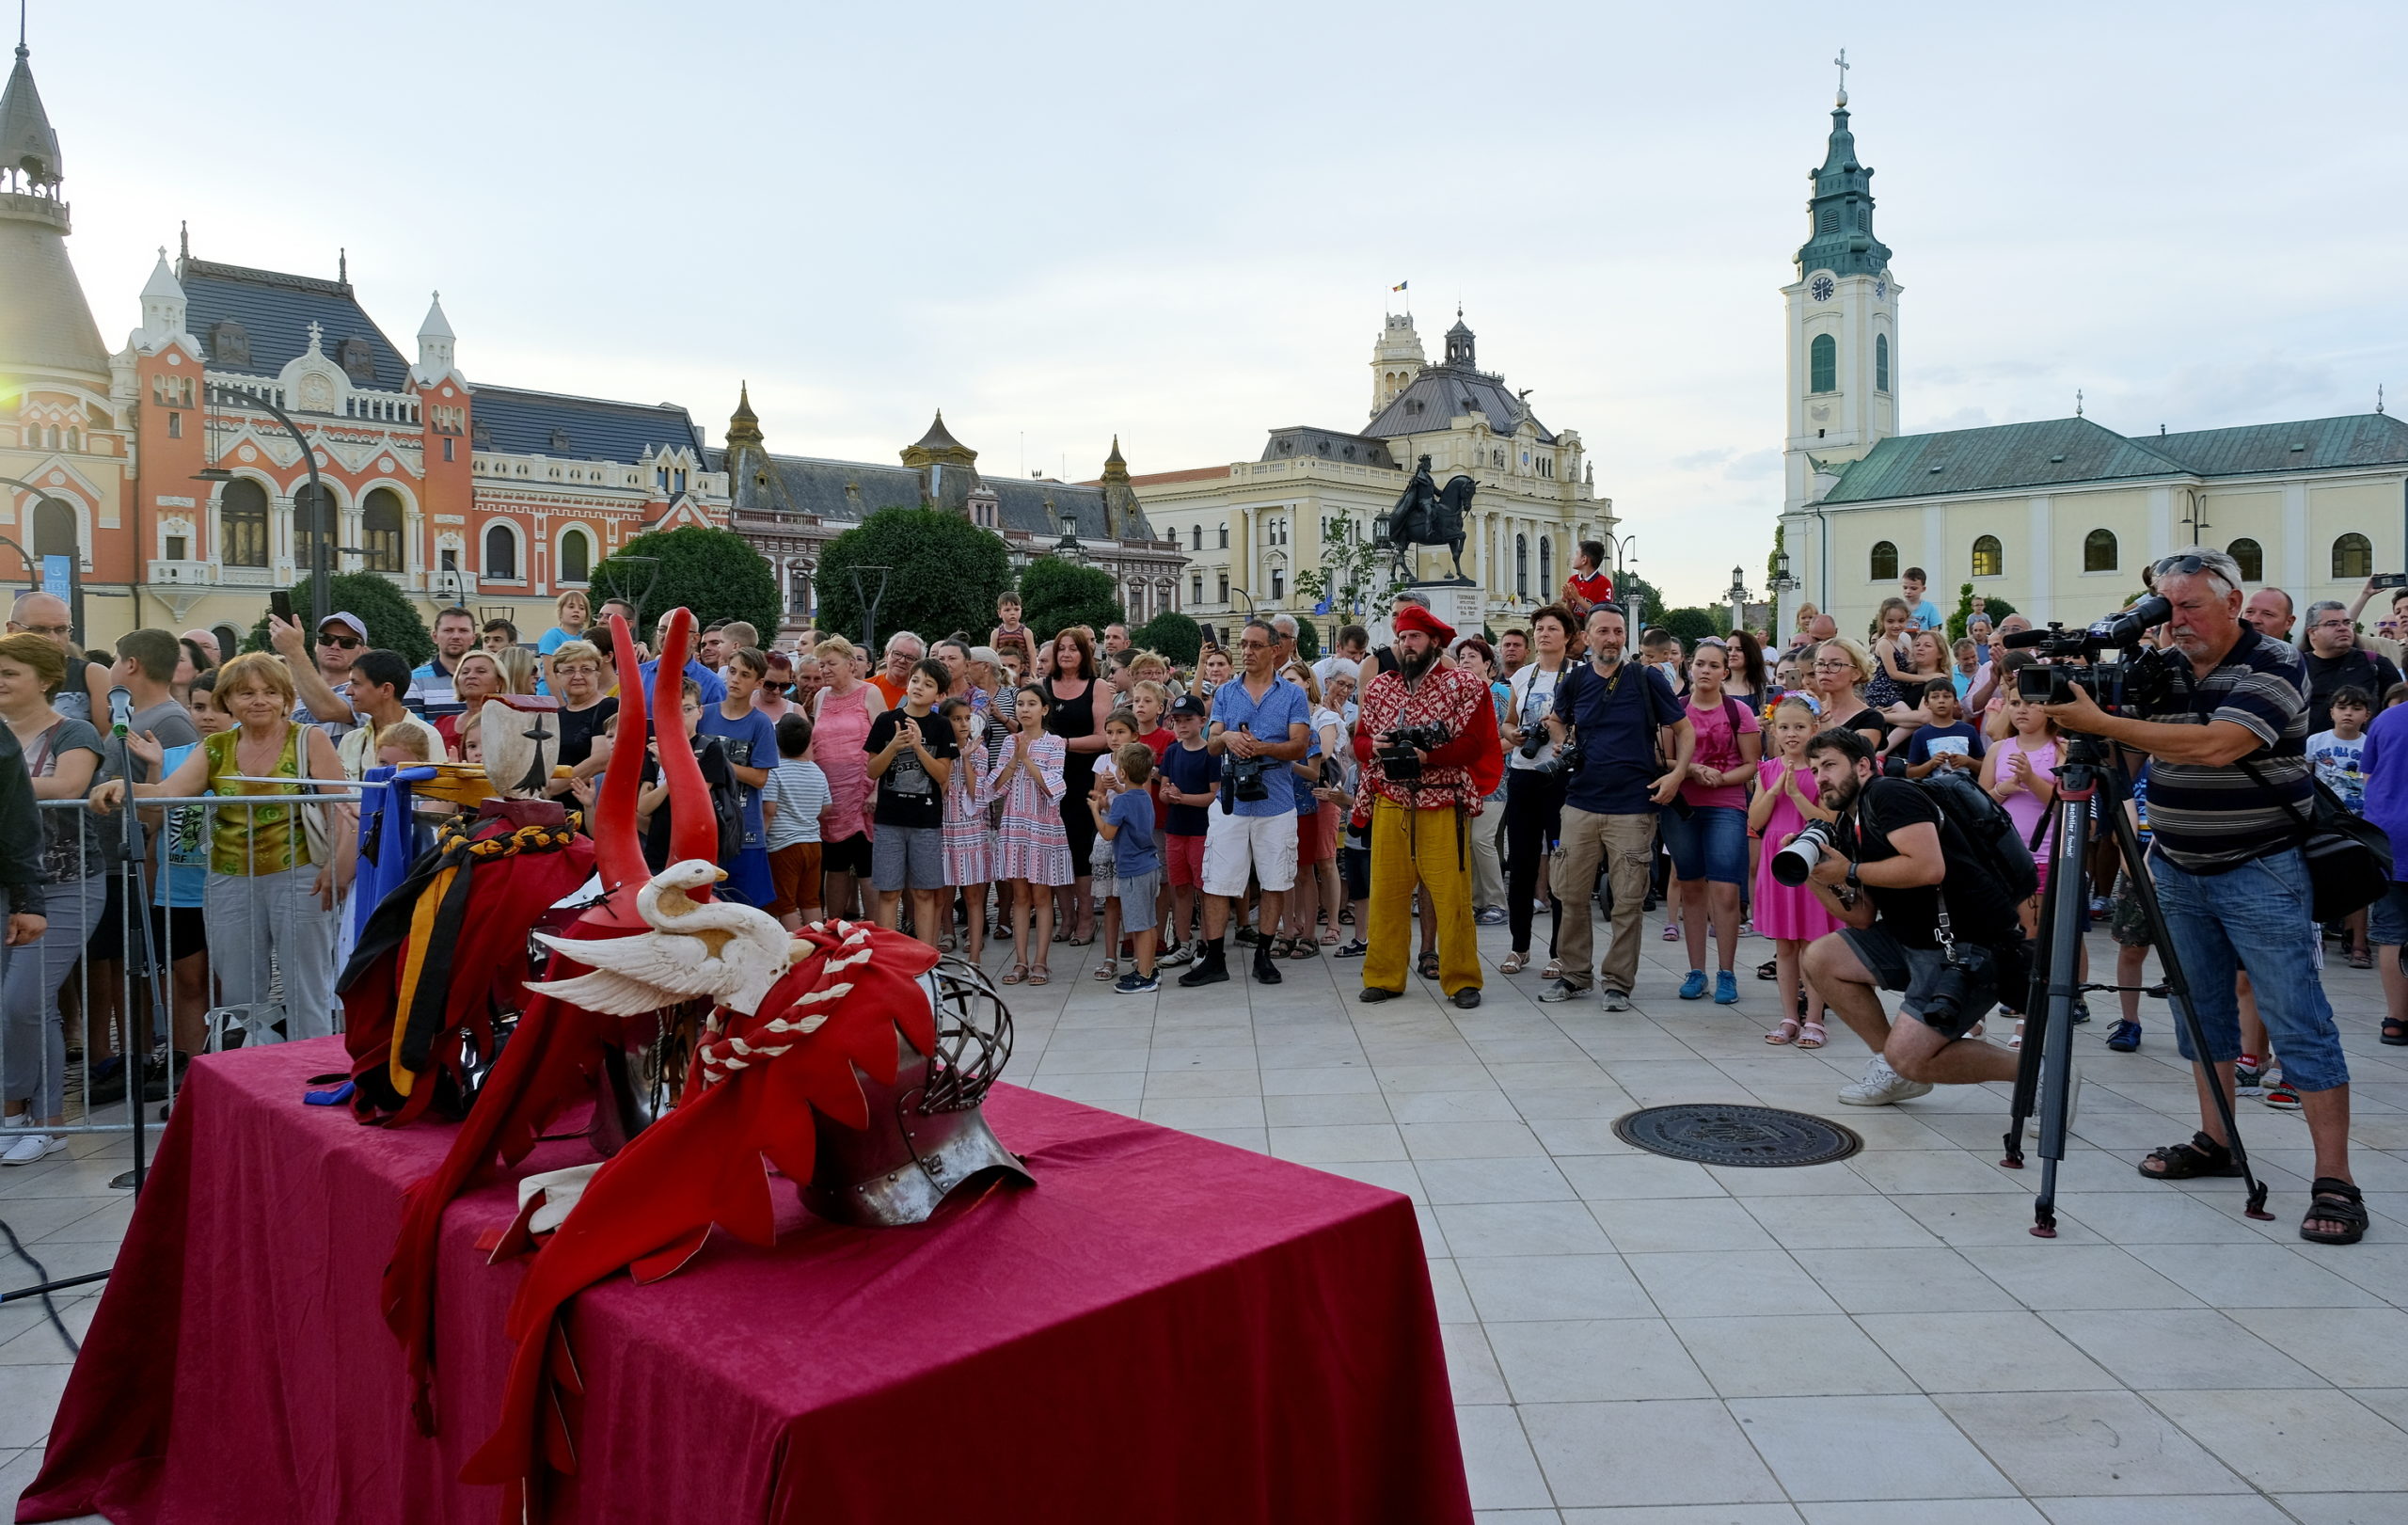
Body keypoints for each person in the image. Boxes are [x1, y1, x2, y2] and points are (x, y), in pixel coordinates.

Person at [2038, 548, 2364, 1246]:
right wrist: (2081, 713)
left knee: (2297, 1017)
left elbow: (2219, 745)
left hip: (2263, 865)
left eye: (2189, 605)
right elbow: (2128, 761)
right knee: (2199, 1011)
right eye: (2165, 605)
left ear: (2233, 603)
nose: (2175, 619)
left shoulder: (2274, 661)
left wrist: (2104, 723)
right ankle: (2218, 1140)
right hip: (2178, 865)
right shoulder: (2166, 668)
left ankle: (2334, 1177)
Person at [93, 651, 353, 1046]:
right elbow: (167, 794)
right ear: (228, 700)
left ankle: (310, 1074)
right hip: (228, 881)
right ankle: (250, 1080)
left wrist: (337, 866)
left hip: (300, 875)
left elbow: (342, 808)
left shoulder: (309, 738)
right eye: (246, 692)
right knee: (238, 995)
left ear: (287, 698)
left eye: (270, 691)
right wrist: (121, 788)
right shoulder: (216, 747)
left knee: (307, 985)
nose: (259, 700)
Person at [1789, 726, 2026, 1109]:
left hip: (1966, 945)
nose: (1821, 778)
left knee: (1914, 1058)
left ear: (1863, 766)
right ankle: (1895, 1068)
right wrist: (1814, 875)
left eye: (1830, 765)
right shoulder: (1851, 821)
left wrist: (1850, 872)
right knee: (1820, 958)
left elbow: (1929, 868)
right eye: (1814, 769)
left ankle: (2037, 1070)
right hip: (1912, 940)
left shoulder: (1889, 794)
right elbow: (1863, 916)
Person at [1540, 603, 1691, 1009]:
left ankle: (1618, 984)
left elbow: (1684, 729)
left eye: (1618, 631)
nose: (1612, 638)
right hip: (1581, 802)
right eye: (1603, 631)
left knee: (1627, 900)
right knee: (1569, 894)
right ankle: (1573, 975)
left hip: (1632, 806)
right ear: (1586, 638)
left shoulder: (1646, 679)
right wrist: (1562, 740)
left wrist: (1677, 776)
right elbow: (1556, 718)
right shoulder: (1574, 681)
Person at [1352, 604, 1496, 1009]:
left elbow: (1473, 745)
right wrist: (1375, 746)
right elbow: (1359, 743)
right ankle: (1383, 976)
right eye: (1401, 638)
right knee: (1387, 896)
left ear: (1434, 641)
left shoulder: (1462, 686)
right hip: (1390, 803)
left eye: (1414, 637)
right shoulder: (1380, 687)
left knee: (1452, 897)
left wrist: (1428, 757)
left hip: (1443, 803)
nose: (1406, 645)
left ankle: (1462, 979)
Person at [0, 634, 101, 1159]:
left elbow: (68, 786)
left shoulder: (73, 730)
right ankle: (29, 1118)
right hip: (7, 884)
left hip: (66, 883)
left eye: (9, 672)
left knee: (24, 1001)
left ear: (44, 679)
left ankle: (33, 1115)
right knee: (16, 1006)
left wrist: (7, 782)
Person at [1181, 620, 1311, 989]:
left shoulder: (1291, 694)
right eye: (1243, 644)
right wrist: (1230, 738)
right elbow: (1211, 743)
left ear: (1274, 650)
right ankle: (1216, 958)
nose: (1248, 651)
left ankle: (1264, 955)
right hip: (1231, 802)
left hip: (1277, 801)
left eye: (1256, 645)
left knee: (1275, 881)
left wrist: (1262, 748)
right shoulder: (1226, 692)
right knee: (1218, 881)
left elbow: (1300, 746)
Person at [1662, 639, 1762, 1004]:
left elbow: (1751, 765)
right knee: (1690, 886)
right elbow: (1665, 760)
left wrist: (1720, 778)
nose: (1705, 671)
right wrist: (1694, 769)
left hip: (1726, 803)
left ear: (1725, 671)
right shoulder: (1675, 710)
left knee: (1725, 888)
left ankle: (1727, 973)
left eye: (1713, 665)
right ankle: (1696, 971)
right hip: (1682, 803)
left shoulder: (1739, 712)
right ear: (1690, 667)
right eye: (1699, 664)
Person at [1751, 697, 1840, 1046]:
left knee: (1812, 944)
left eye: (1799, 727)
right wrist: (1774, 791)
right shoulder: (1767, 769)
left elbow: (1830, 819)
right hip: (1778, 859)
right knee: (1785, 945)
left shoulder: (1824, 770)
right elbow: (1755, 822)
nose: (1791, 734)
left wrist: (1797, 796)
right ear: (1774, 730)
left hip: (1812, 857)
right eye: (1784, 727)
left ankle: (1815, 1018)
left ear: (1814, 729)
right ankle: (1789, 1015)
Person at [1500, 605, 1576, 978]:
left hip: (1562, 776)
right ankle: (1519, 947)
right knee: (1523, 864)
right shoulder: (1523, 677)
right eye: (1539, 629)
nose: (1544, 634)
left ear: (1568, 636)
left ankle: (1560, 951)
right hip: (1524, 773)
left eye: (1552, 628)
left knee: (1562, 866)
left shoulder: (1579, 675)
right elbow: (1509, 723)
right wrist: (1512, 734)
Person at [863, 657, 957, 940]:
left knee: (924, 891)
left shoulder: (941, 725)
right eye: (915, 680)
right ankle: (888, 957)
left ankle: (927, 954)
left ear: (939, 695)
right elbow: (872, 770)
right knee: (889, 891)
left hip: (926, 821)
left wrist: (918, 747)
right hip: (889, 819)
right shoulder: (886, 721)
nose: (918, 687)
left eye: (928, 684)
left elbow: (943, 775)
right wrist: (894, 745)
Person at [990, 686, 1072, 985]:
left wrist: (1026, 759)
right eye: (1020, 704)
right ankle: (1020, 961)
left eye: (1031, 704)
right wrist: (1015, 757)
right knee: (1020, 896)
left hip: (1043, 826)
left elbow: (1054, 786)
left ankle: (1041, 962)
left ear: (1044, 709)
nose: (1025, 709)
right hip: (1014, 825)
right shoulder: (1010, 741)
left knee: (1041, 895)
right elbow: (996, 786)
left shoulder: (1055, 743)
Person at [1042, 627, 1112, 945]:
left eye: (1074, 648)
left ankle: (1086, 917)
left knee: (1081, 849)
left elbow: (1103, 738)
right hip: (1048, 781)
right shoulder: (1042, 686)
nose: (1066, 653)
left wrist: (1062, 744)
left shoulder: (1097, 687)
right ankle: (1066, 916)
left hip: (1084, 777)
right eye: (1061, 649)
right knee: (1056, 850)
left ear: (1085, 654)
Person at [808, 635, 884, 920]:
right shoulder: (820, 696)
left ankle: (878, 933)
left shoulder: (869, 693)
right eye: (821, 664)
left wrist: (877, 790)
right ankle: (834, 929)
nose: (824, 669)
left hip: (862, 791)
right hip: (829, 796)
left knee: (866, 865)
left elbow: (884, 742)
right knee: (835, 864)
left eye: (831, 663)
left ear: (851, 664)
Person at [699, 648, 780, 906]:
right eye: (732, 672)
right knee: (705, 903)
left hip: (745, 827)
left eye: (745, 675)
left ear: (758, 683)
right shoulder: (704, 714)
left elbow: (759, 778)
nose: (735, 679)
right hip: (706, 824)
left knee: (746, 906)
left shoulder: (760, 723)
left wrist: (719, 762)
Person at [634, 679, 740, 873]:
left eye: (687, 709)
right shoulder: (654, 750)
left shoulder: (709, 749)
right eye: (673, 709)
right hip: (659, 851)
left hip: (696, 850)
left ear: (700, 712)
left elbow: (694, 799)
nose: (680, 716)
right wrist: (668, 773)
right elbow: (643, 806)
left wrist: (671, 766)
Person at [2307, 686, 2375, 968]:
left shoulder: (2370, 743)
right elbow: (2305, 777)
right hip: (2323, 819)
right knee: (2316, 877)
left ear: (2367, 715)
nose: (2349, 713)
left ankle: (2358, 941)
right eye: (2343, 707)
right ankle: (2315, 935)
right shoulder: (2315, 741)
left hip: (2359, 819)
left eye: (2356, 708)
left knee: (2358, 881)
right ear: (2332, 711)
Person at [1155, 695, 1219, 969]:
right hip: (1176, 829)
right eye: (1177, 720)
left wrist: (1183, 798)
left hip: (1201, 829)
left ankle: (1206, 943)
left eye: (1187, 720)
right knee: (1180, 887)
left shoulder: (1210, 753)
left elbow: (1213, 795)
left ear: (1201, 721)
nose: (1181, 726)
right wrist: (1169, 794)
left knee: (1203, 889)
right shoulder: (1172, 752)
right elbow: (1163, 790)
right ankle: (1182, 942)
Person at [1094, 742, 1162, 993]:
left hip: (1133, 871)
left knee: (1140, 926)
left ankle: (1145, 976)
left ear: (1122, 773)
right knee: (1150, 922)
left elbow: (1108, 833)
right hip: (1150, 866)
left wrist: (1095, 811)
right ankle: (1149, 968)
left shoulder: (1122, 801)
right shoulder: (1143, 796)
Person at [934, 697, 994, 961]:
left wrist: (966, 759)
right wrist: (952, 757)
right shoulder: (939, 751)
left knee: (973, 893)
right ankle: (947, 932)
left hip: (972, 827)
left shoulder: (980, 751)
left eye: (967, 718)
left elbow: (975, 792)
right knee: (943, 891)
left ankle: (975, 953)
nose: (963, 724)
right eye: (957, 718)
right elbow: (942, 789)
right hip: (945, 826)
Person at [759, 713, 830, 932]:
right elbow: (827, 807)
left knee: (786, 904)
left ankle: (795, 948)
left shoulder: (774, 770)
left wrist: (761, 838)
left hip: (782, 845)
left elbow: (769, 809)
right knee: (810, 900)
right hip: (813, 844)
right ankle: (817, 946)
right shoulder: (816, 771)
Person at [5, 592, 110, 727]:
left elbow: (108, 739)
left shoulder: (92, 675)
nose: (52, 639)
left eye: (61, 629)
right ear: (11, 629)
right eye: (39, 629)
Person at [2301, 600, 2401, 737]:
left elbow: (2399, 712)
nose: (2343, 628)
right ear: (2312, 632)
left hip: (2364, 753)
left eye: (2347, 623)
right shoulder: (2296, 666)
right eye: (2332, 624)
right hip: (2306, 753)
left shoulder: (2376, 664)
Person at [543, 640, 619, 779]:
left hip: (589, 798)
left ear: (597, 674)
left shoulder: (609, 707)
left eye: (586, 670)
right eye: (569, 670)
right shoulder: (555, 716)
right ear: (557, 675)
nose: (578, 676)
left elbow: (601, 760)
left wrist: (552, 788)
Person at [1904, 679, 1986, 779]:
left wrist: (1968, 762)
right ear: (1927, 703)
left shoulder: (1969, 731)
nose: (1941, 701)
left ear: (1955, 702)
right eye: (1935, 697)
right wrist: (1931, 764)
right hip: (1934, 791)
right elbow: (1910, 773)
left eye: (1946, 696)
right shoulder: (1920, 735)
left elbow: (1985, 768)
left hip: (1966, 790)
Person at [434, 651, 504, 758]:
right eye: (465, 672)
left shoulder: (509, 723)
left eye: (481, 671)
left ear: (499, 682)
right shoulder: (443, 725)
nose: (471, 676)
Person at [411, 607, 480, 702]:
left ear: (473, 638)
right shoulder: (415, 680)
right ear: (435, 636)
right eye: (448, 630)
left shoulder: (486, 680)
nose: (456, 636)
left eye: (463, 630)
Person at [870, 631, 927, 709]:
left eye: (910, 658)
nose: (902, 660)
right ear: (886, 655)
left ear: (918, 664)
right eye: (897, 654)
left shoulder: (922, 696)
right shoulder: (865, 687)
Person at [1561, 540, 1615, 618]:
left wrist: (1578, 599)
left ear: (1584, 559)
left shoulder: (1603, 583)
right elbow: (1569, 613)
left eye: (1576, 554)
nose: (1573, 558)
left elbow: (1602, 614)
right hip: (1575, 625)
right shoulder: (1573, 580)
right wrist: (1568, 601)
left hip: (1592, 626)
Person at [989, 594, 1036, 675]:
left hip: (1024, 670)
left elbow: (1032, 654)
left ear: (1021, 611)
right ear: (999, 613)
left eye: (1016, 609)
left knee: (1026, 685)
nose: (1012, 613)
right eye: (1007, 610)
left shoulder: (1026, 632)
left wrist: (1033, 674)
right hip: (1004, 670)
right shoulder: (996, 633)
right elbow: (991, 655)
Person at [1900, 567, 1944, 633]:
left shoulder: (1930, 608)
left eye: (1913, 588)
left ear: (1923, 589)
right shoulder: (1897, 607)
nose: (1908, 591)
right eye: (1905, 588)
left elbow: (1935, 631)